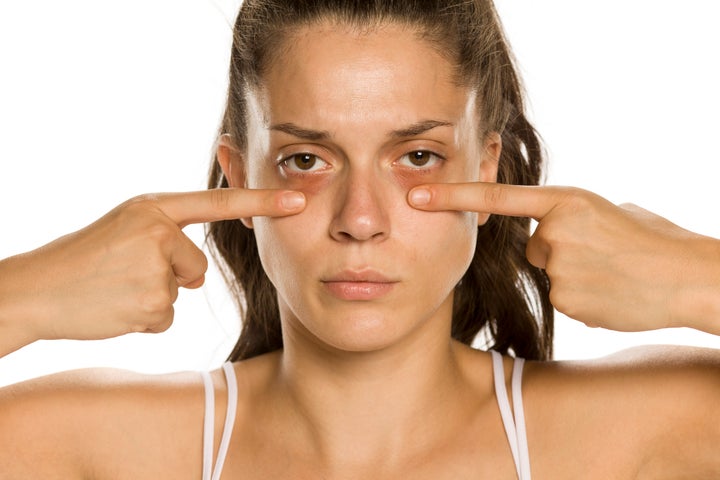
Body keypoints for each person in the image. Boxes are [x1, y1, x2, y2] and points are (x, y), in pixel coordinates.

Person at [0, 0, 719, 478]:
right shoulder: (109, 449)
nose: (361, 219)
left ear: (489, 169)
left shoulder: (630, 435)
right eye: (306, 161)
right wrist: (22, 295)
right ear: (235, 176)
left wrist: (697, 278)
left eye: (417, 157)